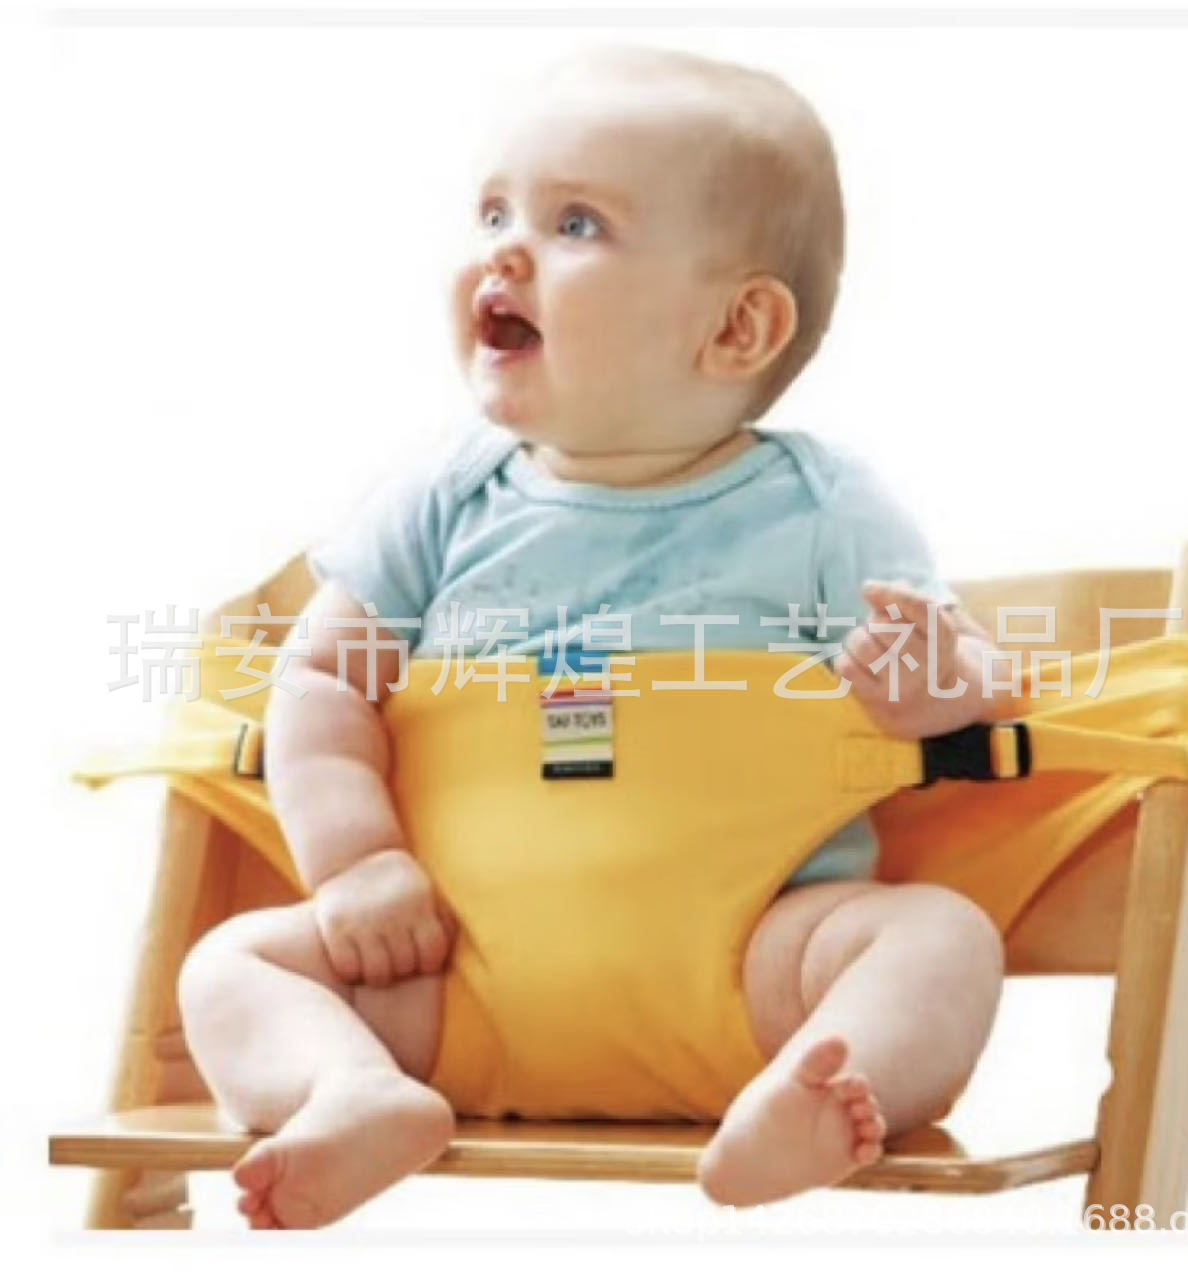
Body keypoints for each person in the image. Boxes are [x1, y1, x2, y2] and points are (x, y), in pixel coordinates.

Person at [177, 45, 1008, 1228]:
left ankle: (815, 1095)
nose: (504, 252)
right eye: (494, 212)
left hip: (753, 977)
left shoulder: (824, 512)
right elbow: (320, 678)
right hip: (447, 978)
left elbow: (975, 680)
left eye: (576, 224)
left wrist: (936, 689)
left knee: (941, 940)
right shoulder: (441, 500)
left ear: (738, 327)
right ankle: (353, 1088)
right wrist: (357, 863)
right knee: (233, 966)